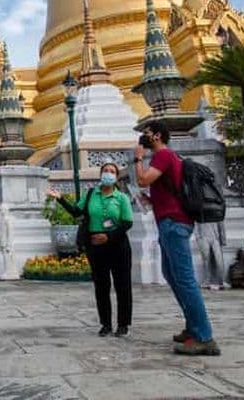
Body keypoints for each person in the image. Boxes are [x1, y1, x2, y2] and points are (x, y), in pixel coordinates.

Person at [134, 120, 221, 356]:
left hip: (174, 223)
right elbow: (162, 189)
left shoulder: (163, 155)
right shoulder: (166, 158)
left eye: (147, 133)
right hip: (168, 221)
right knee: (171, 274)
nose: (143, 137)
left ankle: (204, 336)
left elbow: (142, 179)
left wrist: (138, 158)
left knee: (184, 278)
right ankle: (192, 327)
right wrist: (151, 201)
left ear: (159, 136)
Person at [49, 163, 134, 337]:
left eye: (112, 172)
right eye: (105, 171)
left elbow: (127, 222)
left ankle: (123, 324)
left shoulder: (121, 198)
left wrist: (109, 237)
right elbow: (76, 212)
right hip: (95, 245)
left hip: (117, 244)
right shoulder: (91, 194)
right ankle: (105, 324)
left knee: (122, 285)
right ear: (100, 174)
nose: (108, 174)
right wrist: (60, 198)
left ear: (116, 177)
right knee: (101, 286)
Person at [196, 221, 227, 291]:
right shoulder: (200, 211)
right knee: (206, 260)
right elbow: (196, 225)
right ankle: (207, 281)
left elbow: (221, 225)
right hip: (204, 237)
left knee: (219, 260)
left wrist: (223, 239)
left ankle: (221, 281)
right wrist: (198, 238)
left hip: (216, 238)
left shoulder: (216, 211)